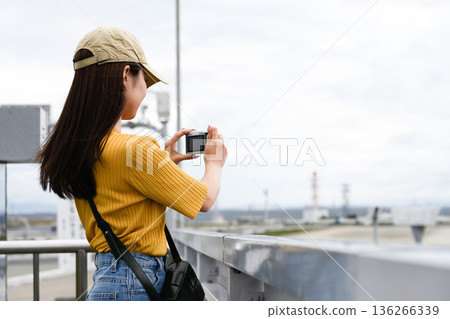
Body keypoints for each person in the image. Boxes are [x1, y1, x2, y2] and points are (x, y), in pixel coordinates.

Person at [37, 26, 227, 301]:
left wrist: (161, 163)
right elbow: (204, 200)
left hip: (109, 279)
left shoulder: (81, 149)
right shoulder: (135, 150)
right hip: (135, 285)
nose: (146, 91)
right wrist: (215, 163)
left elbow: (122, 183)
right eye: (145, 81)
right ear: (126, 75)